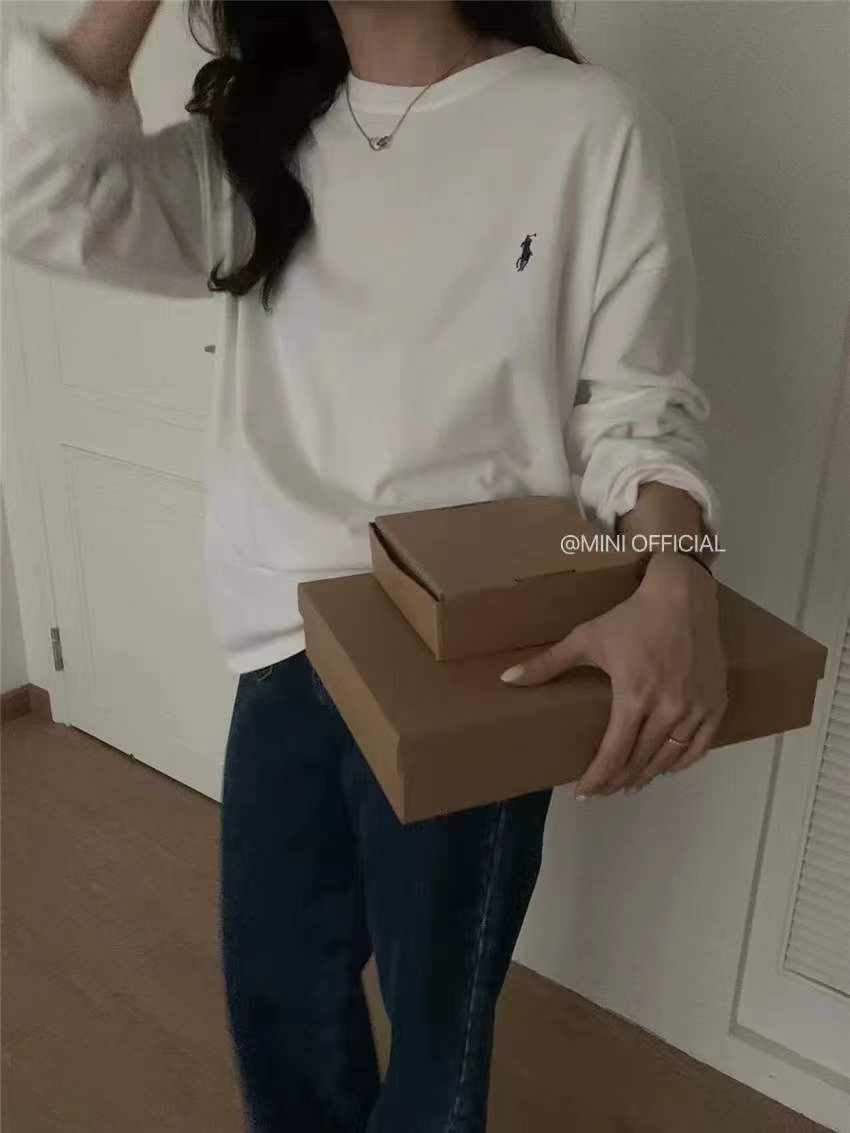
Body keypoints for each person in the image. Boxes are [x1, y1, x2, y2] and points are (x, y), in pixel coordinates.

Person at [0, 2, 728, 1129]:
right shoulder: (257, 142)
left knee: (440, 1032)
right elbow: (37, 194)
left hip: (477, 658)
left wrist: (676, 574)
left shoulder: (588, 124)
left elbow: (639, 406)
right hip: (285, 644)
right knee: (278, 1007)